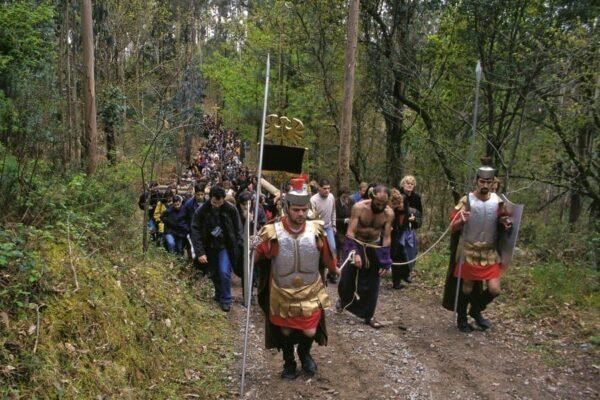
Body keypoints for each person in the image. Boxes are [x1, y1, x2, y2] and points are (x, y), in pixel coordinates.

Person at [254, 178, 339, 379]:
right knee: (284, 331)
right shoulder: (272, 231)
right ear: (287, 207)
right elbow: (255, 257)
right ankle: (289, 362)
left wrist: (335, 269)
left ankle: (304, 352)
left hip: (310, 290)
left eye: (304, 210)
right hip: (282, 290)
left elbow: (327, 256)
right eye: (296, 210)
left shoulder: (316, 230)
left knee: (309, 331)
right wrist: (251, 248)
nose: (301, 214)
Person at [442, 160, 513, 332]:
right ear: (476, 181)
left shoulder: (498, 201)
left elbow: (503, 220)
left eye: (488, 182)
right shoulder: (466, 200)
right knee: (466, 287)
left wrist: (505, 223)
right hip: (469, 249)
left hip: (489, 251)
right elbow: (451, 227)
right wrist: (461, 220)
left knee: (494, 289)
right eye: (482, 181)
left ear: (493, 182)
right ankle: (462, 317)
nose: (485, 185)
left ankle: (475, 310)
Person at [337, 185, 394, 329]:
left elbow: (386, 238)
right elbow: (350, 232)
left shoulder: (388, 214)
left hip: (374, 246)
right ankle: (344, 300)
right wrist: (355, 253)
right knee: (347, 278)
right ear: (372, 197)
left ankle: (369, 315)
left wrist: (385, 261)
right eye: (377, 203)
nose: (380, 206)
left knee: (373, 283)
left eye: (383, 204)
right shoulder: (359, 207)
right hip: (355, 244)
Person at [191, 186, 243, 312]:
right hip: (208, 246)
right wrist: (200, 252)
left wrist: (238, 245)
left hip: (225, 246)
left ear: (224, 200)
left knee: (224, 272)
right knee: (213, 273)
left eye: (219, 203)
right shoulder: (202, 210)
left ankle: (226, 299)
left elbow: (238, 229)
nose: (217, 205)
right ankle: (219, 293)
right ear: (210, 198)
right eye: (214, 202)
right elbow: (195, 230)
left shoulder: (231, 209)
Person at [310, 179, 338, 282]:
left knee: (333, 248)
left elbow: (333, 211)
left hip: (328, 226)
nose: (327, 191)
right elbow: (311, 216)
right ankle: (316, 273)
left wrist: (334, 225)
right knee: (318, 249)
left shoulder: (331, 197)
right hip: (317, 228)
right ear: (319, 189)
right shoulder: (313, 200)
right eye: (325, 188)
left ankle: (332, 272)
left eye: (328, 188)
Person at [398, 175, 423, 283]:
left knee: (412, 250)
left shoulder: (416, 197)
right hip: (399, 228)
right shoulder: (398, 195)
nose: (409, 185)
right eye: (407, 183)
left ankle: (407, 273)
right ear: (403, 184)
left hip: (410, 228)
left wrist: (415, 218)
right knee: (399, 251)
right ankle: (397, 276)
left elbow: (420, 213)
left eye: (412, 184)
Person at [389, 189, 409, 289]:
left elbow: (403, 225)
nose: (401, 205)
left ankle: (400, 278)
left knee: (400, 255)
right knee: (395, 255)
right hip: (389, 236)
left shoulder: (405, 210)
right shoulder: (389, 210)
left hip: (398, 235)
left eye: (402, 203)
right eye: (399, 204)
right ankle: (397, 280)